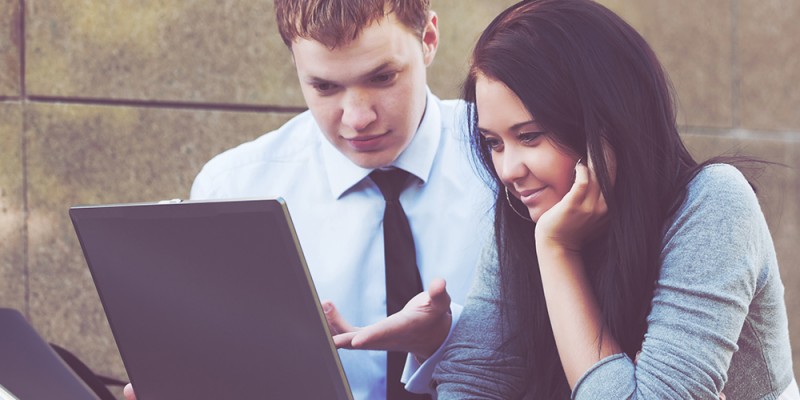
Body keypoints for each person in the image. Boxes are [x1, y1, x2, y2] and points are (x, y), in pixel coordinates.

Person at [331, 0, 799, 398]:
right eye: (494, 143)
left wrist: (557, 252)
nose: (508, 170)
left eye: (530, 136)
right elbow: (473, 382)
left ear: (606, 121)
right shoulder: (524, 212)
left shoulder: (713, 204)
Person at [122, 1, 493, 399]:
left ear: (429, 40)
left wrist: (444, 342)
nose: (357, 118)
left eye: (383, 77)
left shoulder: (507, 163)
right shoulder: (234, 188)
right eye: (324, 86)